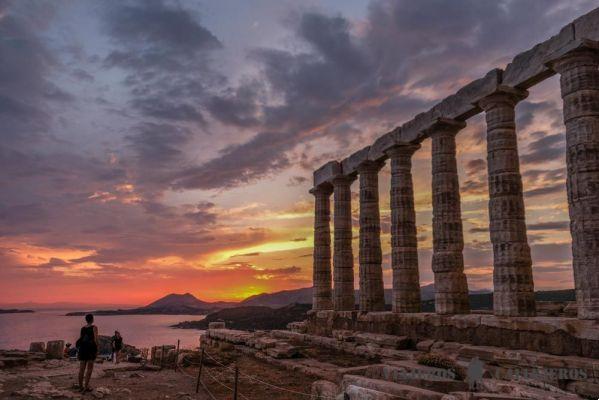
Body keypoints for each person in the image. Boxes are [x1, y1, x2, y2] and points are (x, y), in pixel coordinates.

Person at [76, 314, 98, 392]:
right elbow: (95, 340)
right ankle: (86, 387)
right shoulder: (94, 327)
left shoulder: (82, 328)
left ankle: (80, 387)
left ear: (86, 320)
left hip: (83, 349)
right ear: (92, 319)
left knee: (81, 369)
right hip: (91, 349)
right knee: (89, 369)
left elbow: (81, 339)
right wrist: (97, 349)